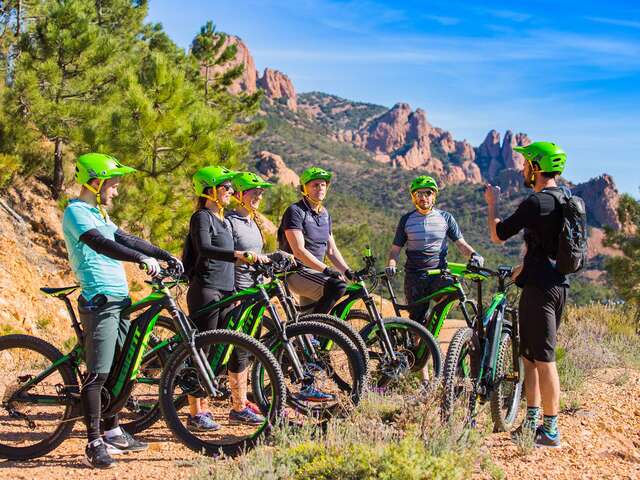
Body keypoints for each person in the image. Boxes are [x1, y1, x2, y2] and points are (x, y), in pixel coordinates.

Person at [62, 153, 182, 469]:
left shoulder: (98, 212)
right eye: (113, 184)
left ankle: (113, 429)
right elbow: (102, 245)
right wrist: (140, 260)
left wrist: (163, 254)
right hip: (99, 301)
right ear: (96, 181)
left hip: (119, 300)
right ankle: (93, 442)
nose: (116, 190)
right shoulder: (76, 212)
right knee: (99, 372)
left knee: (127, 366)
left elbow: (124, 238)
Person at [485, 141, 570, 448]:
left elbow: (498, 234)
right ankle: (532, 422)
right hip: (558, 286)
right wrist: (520, 271)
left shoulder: (536, 203)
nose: (522, 168)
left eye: (525, 163)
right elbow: (544, 249)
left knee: (543, 359)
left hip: (539, 292)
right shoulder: (566, 200)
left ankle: (550, 431)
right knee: (529, 357)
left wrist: (492, 203)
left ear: (535, 167)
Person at [185, 166, 268, 429]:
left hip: (226, 290)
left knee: (220, 350)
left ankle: (224, 405)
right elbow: (205, 249)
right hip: (206, 288)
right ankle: (197, 411)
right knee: (204, 349)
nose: (231, 191)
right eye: (226, 187)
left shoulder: (221, 219)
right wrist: (237, 255)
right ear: (210, 190)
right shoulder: (201, 217)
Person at [386, 175, 484, 323]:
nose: (423, 197)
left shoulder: (446, 218)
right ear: (414, 197)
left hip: (439, 273)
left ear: (434, 196)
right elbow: (395, 250)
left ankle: (434, 323)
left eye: (428, 193)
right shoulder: (406, 220)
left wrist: (475, 255)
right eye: (419, 194)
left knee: (454, 291)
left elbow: (461, 244)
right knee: (417, 323)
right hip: (415, 277)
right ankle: (419, 339)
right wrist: (391, 264)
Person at [279, 167, 353, 317]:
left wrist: (347, 271)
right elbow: (298, 250)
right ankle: (313, 329)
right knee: (336, 286)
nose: (320, 188)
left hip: (314, 272)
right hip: (296, 271)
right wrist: (327, 270)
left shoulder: (325, 214)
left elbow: (331, 250)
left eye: (323, 185)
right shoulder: (295, 211)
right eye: (315, 185)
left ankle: (307, 335)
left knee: (305, 321)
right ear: (304, 189)